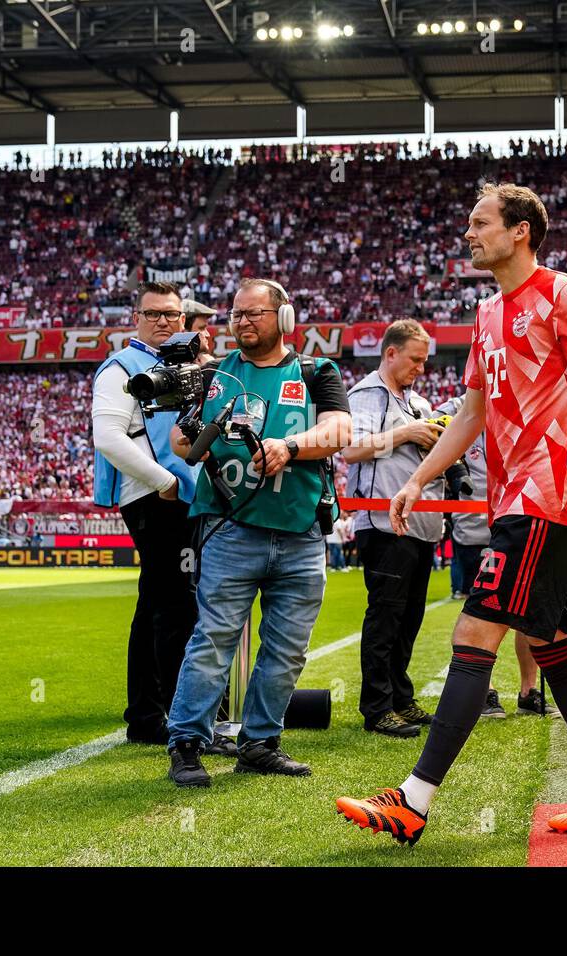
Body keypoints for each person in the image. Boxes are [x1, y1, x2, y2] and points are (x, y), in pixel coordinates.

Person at [336, 182, 567, 846]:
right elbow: (471, 413)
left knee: (474, 636)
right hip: (513, 501)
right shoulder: (487, 314)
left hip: (544, 499)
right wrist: (419, 476)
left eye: (480, 223)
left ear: (520, 231)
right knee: (554, 647)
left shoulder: (564, 295)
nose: (468, 234)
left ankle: (412, 802)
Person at [165, 277, 352, 788]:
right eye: (237, 315)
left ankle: (260, 743)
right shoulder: (212, 376)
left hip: (300, 532)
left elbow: (340, 431)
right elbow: (182, 443)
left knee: (287, 647)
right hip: (229, 528)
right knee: (214, 639)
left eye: (255, 314)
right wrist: (197, 435)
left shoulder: (316, 372)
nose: (243, 323)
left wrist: (288, 447)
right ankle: (186, 744)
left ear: (284, 318)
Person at [92, 281, 202, 747]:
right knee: (173, 606)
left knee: (158, 602)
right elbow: (109, 438)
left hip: (178, 496)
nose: (163, 321)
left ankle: (146, 712)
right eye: (154, 313)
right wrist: (165, 482)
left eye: (172, 315)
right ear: (135, 317)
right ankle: (165, 713)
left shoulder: (178, 366)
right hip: (155, 497)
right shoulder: (120, 368)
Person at [343, 320, 445, 738]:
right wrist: (407, 432)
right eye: (415, 359)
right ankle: (378, 706)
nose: (421, 367)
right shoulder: (369, 394)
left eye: (424, 360)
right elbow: (351, 449)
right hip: (383, 523)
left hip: (419, 523)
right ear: (390, 353)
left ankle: (400, 698)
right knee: (386, 616)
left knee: (409, 618)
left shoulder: (415, 400)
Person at [437, 392, 551, 718]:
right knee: (481, 610)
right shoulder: (459, 405)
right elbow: (433, 423)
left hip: (518, 521)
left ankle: (529, 692)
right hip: (474, 527)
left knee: (526, 609)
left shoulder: (523, 402)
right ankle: (483, 692)